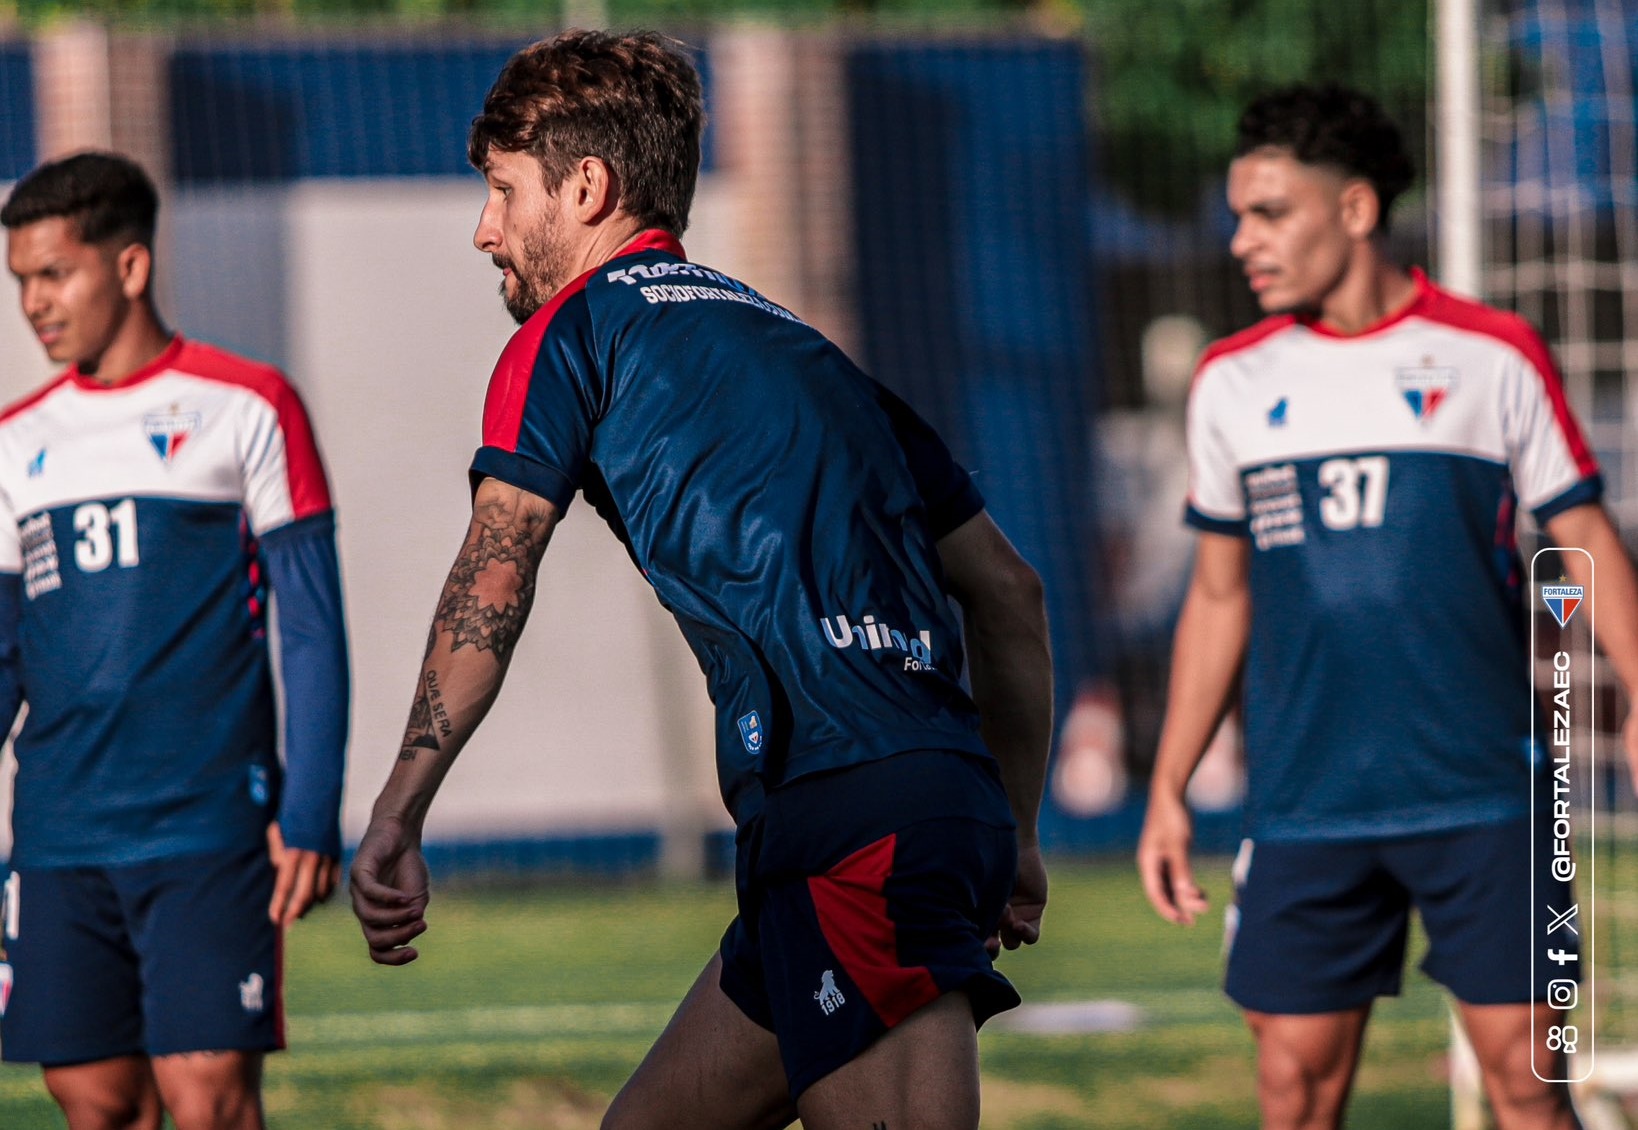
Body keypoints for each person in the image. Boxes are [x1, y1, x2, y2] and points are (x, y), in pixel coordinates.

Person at [349, 29, 1052, 1130]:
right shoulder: (809, 349)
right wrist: (1016, 828)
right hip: (874, 806)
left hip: (851, 813)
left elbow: (493, 573)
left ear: (586, 187)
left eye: (499, 190)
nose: (484, 228)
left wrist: (399, 805)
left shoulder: (570, 333)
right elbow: (1011, 595)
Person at [1136, 84, 1638, 1130]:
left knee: (1529, 1088)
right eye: (1237, 216)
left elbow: (1584, 535)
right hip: (1307, 801)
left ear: (1356, 210)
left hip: (1492, 795)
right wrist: (1171, 782)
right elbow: (1219, 595)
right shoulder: (1230, 382)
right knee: (1295, 1093)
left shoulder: (1493, 353)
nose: (1242, 242)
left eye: (1268, 213)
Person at [0, 152, 349, 1130]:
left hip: (207, 826)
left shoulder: (249, 407)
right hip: (59, 831)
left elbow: (313, 625)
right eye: (20, 279)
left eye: (53, 273)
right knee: (95, 1097)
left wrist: (311, 807)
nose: (34, 302)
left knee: (208, 1096)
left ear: (131, 265)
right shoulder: (14, 442)